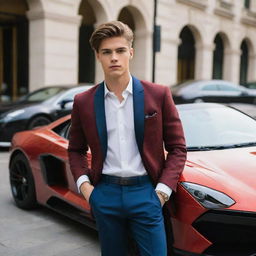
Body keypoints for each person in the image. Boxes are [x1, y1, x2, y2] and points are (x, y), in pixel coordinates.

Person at [68, 21, 187, 256]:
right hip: (105, 193)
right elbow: (75, 149)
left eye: (120, 50)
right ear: (98, 56)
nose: (114, 57)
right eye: (107, 52)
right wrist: (86, 188)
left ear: (130, 53)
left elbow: (177, 148)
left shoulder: (158, 94)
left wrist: (162, 192)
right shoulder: (84, 101)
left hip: (146, 193)